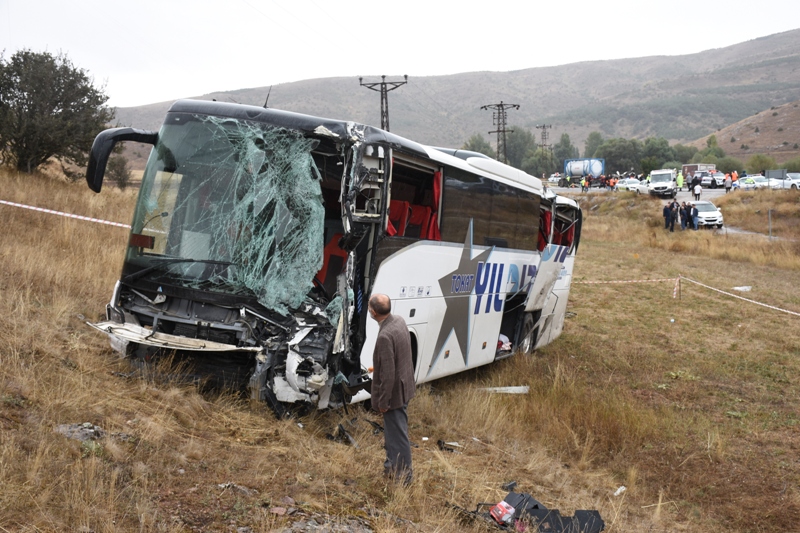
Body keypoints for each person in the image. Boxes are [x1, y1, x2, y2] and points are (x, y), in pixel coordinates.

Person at [369, 293, 415, 485]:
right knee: (392, 433)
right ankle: (391, 466)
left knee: (397, 435)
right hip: (406, 386)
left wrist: (383, 402)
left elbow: (387, 375)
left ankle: (404, 477)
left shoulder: (385, 336)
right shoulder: (399, 320)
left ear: (372, 311)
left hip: (395, 393)